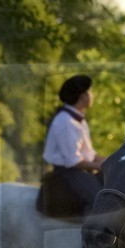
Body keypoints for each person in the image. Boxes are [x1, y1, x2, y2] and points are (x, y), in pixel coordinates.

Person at [41, 74, 103, 212]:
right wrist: (102, 166)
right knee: (98, 199)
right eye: (90, 91)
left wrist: (115, 161)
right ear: (82, 96)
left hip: (79, 170)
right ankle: (91, 232)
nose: (92, 95)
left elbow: (89, 154)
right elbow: (73, 161)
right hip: (69, 172)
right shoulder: (65, 122)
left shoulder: (79, 120)